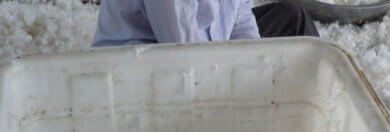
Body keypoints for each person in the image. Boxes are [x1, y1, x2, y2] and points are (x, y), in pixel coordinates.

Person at [92, 0, 318, 48]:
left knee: (293, 18)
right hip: (138, 68)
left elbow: (240, 17)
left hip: (206, 48)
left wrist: (254, 61)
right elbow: (185, 53)